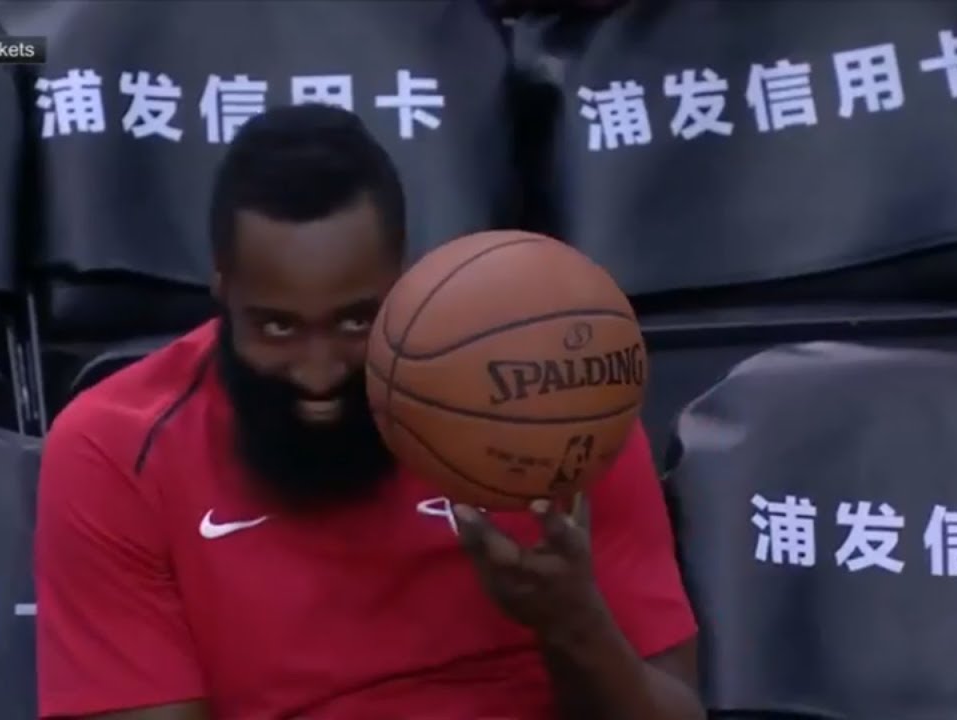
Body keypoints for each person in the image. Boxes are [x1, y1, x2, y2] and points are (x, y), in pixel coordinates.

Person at [35, 104, 703, 720]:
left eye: (357, 320)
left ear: (402, 278)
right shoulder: (115, 449)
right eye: (276, 327)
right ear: (223, 289)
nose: (319, 371)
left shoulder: (554, 395)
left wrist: (572, 622)